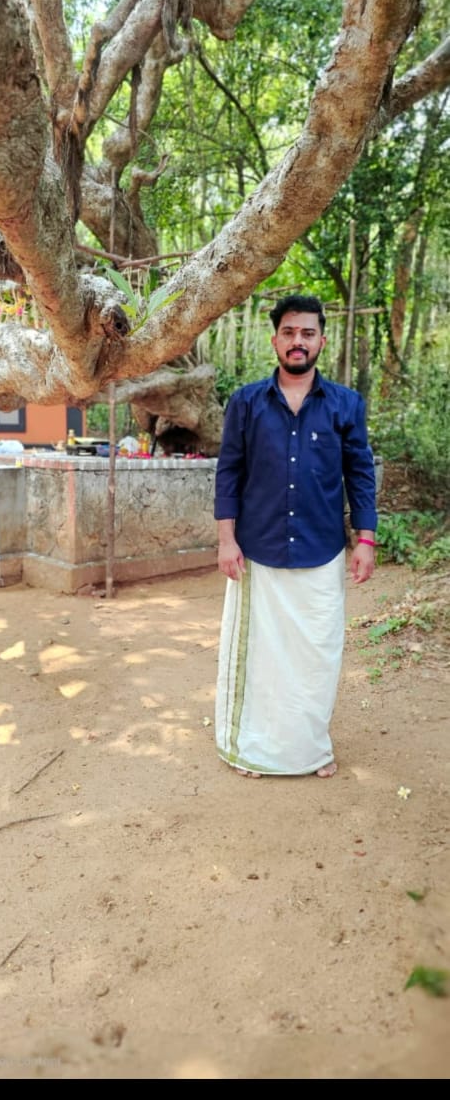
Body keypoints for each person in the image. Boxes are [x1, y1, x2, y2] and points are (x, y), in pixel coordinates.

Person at [214, 293, 377, 779]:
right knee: (261, 658)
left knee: (316, 657)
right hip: (258, 551)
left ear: (321, 341)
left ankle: (310, 751)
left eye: (307, 333)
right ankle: (253, 749)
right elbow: (229, 472)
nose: (298, 341)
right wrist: (226, 539)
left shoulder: (346, 404)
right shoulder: (246, 403)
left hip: (321, 551)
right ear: (275, 341)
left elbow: (360, 474)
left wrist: (366, 539)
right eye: (289, 332)